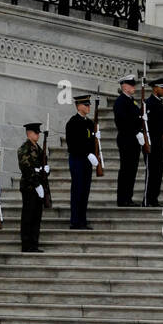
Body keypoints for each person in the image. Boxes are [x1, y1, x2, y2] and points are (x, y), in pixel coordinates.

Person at [65, 95, 97, 229]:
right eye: (86, 105)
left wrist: (96, 140)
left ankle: (82, 220)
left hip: (87, 161)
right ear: (78, 106)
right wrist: (87, 153)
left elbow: (91, 142)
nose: (89, 107)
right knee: (77, 190)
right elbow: (73, 144)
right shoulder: (73, 122)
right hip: (77, 160)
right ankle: (75, 220)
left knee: (85, 191)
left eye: (89, 105)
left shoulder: (90, 123)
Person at [17, 122, 47, 252]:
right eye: (36, 132)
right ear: (29, 133)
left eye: (39, 132)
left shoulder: (38, 148)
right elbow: (26, 169)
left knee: (36, 216)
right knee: (28, 216)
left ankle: (34, 243)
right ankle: (27, 244)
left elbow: (42, 164)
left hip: (39, 186)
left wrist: (46, 170)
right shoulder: (24, 149)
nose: (38, 134)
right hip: (30, 187)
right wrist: (36, 184)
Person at [113, 75, 143, 206]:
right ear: (124, 86)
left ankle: (128, 197)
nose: (133, 87)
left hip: (134, 139)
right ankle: (122, 198)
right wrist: (136, 131)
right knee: (126, 169)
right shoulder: (120, 102)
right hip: (126, 138)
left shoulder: (132, 101)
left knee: (132, 169)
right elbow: (122, 122)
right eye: (131, 85)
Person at [142, 78, 163, 207]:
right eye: (161, 88)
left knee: (159, 171)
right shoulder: (149, 103)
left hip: (159, 141)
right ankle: (147, 199)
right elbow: (150, 124)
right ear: (155, 88)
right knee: (152, 171)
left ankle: (154, 198)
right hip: (151, 140)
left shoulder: (159, 103)